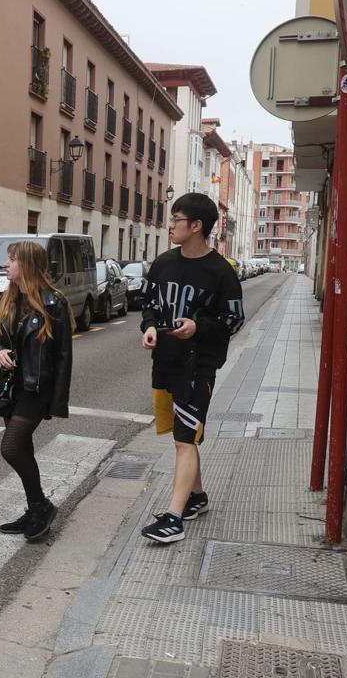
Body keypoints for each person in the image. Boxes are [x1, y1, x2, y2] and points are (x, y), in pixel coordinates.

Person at [138, 193, 245, 543]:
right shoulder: (163, 263)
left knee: (186, 439)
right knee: (180, 436)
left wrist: (199, 327)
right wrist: (150, 327)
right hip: (165, 361)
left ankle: (173, 518)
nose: (170, 225)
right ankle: (196, 497)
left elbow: (233, 319)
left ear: (196, 226)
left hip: (198, 366)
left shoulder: (221, 271)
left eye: (176, 219)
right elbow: (150, 305)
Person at [0, 240, 73, 543]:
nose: (6, 264)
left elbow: (64, 356)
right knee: (22, 449)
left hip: (37, 390)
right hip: (11, 388)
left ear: (27, 265)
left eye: (12, 260)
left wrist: (57, 401)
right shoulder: (10, 299)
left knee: (11, 447)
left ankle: (42, 506)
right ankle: (36, 509)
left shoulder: (54, 302)